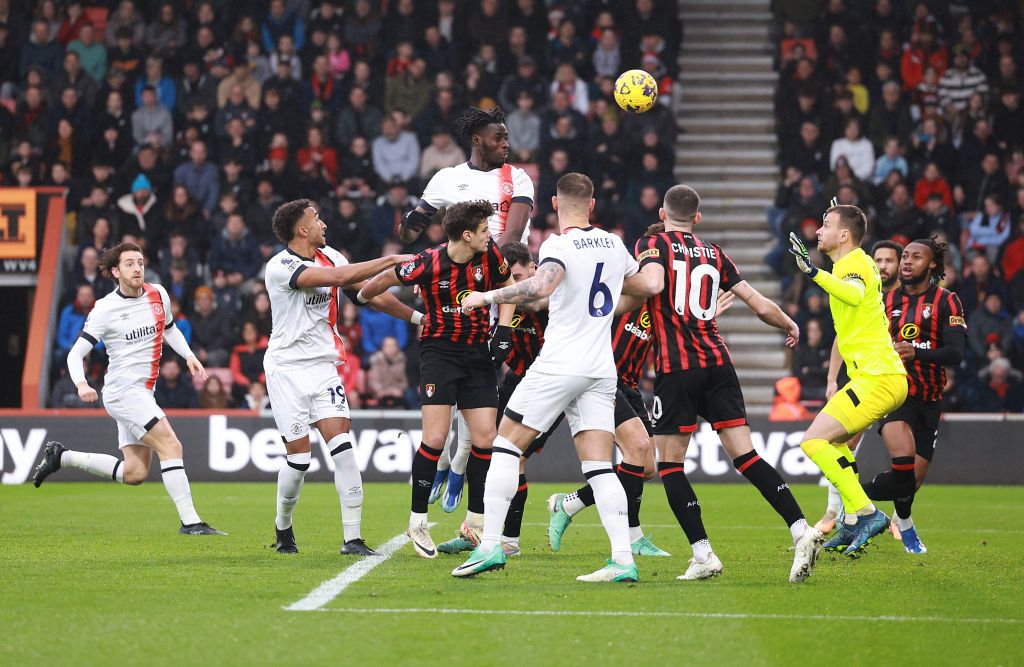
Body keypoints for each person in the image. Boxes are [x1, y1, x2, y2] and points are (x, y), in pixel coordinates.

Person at [451, 173, 662, 582]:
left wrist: (487, 296)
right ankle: (622, 559)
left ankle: (492, 545)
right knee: (600, 465)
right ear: (593, 205)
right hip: (601, 370)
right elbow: (649, 285)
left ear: (554, 203)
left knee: (504, 447)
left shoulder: (559, 245)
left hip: (560, 363)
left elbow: (541, 283)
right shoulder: (616, 244)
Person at [628, 185, 820, 583]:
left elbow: (651, 285)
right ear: (697, 218)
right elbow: (758, 303)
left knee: (670, 465)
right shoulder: (715, 253)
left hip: (677, 369)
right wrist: (788, 322)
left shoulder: (651, 243)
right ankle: (801, 528)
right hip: (718, 364)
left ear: (663, 214)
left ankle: (703, 555)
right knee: (746, 457)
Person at [358, 200, 517, 560]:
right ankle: (417, 522)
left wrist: (503, 328)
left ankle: (474, 523)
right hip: (439, 355)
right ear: (466, 235)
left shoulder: (490, 254)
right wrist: (415, 318)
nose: (490, 235)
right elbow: (369, 291)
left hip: (478, 354)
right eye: (484, 230)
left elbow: (507, 285)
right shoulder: (426, 263)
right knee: (435, 437)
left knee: (486, 439)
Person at [32, 242, 225, 536]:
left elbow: (170, 329)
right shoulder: (106, 308)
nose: (137, 268)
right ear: (115, 271)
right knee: (171, 446)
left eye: (140, 262)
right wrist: (82, 384)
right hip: (123, 392)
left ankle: (62, 457)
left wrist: (188, 356)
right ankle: (191, 522)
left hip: (143, 393)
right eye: (130, 264)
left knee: (134, 473)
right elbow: (75, 354)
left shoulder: (158, 293)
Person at [263, 198, 418, 556]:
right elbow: (338, 279)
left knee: (344, 450)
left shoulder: (334, 255)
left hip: (323, 368)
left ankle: (353, 539)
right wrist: (392, 260)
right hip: (286, 370)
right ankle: (283, 526)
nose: (323, 224)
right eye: (316, 219)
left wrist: (417, 319)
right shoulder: (280, 266)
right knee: (299, 461)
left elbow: (365, 295)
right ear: (302, 230)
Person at [788, 201, 909, 558]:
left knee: (812, 442)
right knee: (836, 445)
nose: (818, 231)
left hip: (878, 377)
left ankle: (867, 513)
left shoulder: (853, 264)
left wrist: (812, 272)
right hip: (877, 377)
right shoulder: (848, 264)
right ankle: (853, 517)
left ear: (844, 235)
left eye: (826, 225)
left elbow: (854, 295)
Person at [398, 106, 534, 248]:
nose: (506, 145)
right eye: (498, 139)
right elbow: (409, 236)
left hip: (507, 264)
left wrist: (484, 267)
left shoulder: (518, 178)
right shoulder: (446, 178)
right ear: (476, 140)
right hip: (464, 266)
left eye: (506, 139)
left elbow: (514, 233)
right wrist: (406, 223)